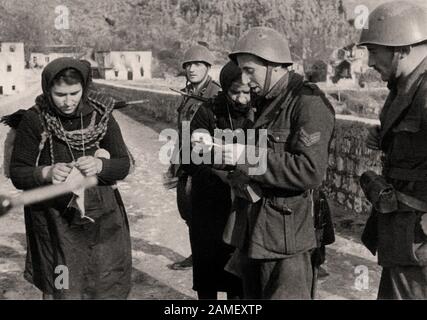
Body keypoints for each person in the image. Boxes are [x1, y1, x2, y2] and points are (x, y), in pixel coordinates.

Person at [218, 27, 335, 299]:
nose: (245, 81)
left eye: (250, 70)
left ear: (275, 65)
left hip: (289, 239)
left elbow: (310, 170)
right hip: (256, 231)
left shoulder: (307, 103)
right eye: (241, 72)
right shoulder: (266, 102)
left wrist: (245, 157)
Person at [9, 57, 132, 299]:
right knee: (62, 287)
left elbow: (123, 165)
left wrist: (100, 165)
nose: (68, 102)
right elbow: (18, 173)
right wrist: (46, 172)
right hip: (55, 222)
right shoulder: (36, 119)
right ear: (47, 90)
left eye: (74, 93)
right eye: (60, 94)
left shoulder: (101, 115)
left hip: (102, 219)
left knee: (104, 285)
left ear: (84, 88)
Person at [358, 1, 427, 299]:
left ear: (402, 48)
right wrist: (385, 137)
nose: (370, 62)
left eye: (374, 51)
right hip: (402, 235)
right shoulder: (403, 88)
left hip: (419, 237)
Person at [183, 61, 251, 299]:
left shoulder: (259, 114)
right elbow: (187, 159)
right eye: (235, 92)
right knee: (207, 271)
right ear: (224, 88)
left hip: (241, 205)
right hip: (208, 203)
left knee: (238, 275)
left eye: (247, 92)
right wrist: (220, 169)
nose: (241, 99)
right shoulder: (207, 112)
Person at [168, 45, 221, 270]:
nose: (192, 69)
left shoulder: (215, 94)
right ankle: (197, 252)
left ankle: (212, 255)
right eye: (188, 65)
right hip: (186, 161)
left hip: (206, 165)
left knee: (207, 214)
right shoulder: (188, 93)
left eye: (198, 64)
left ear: (208, 67)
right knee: (187, 210)